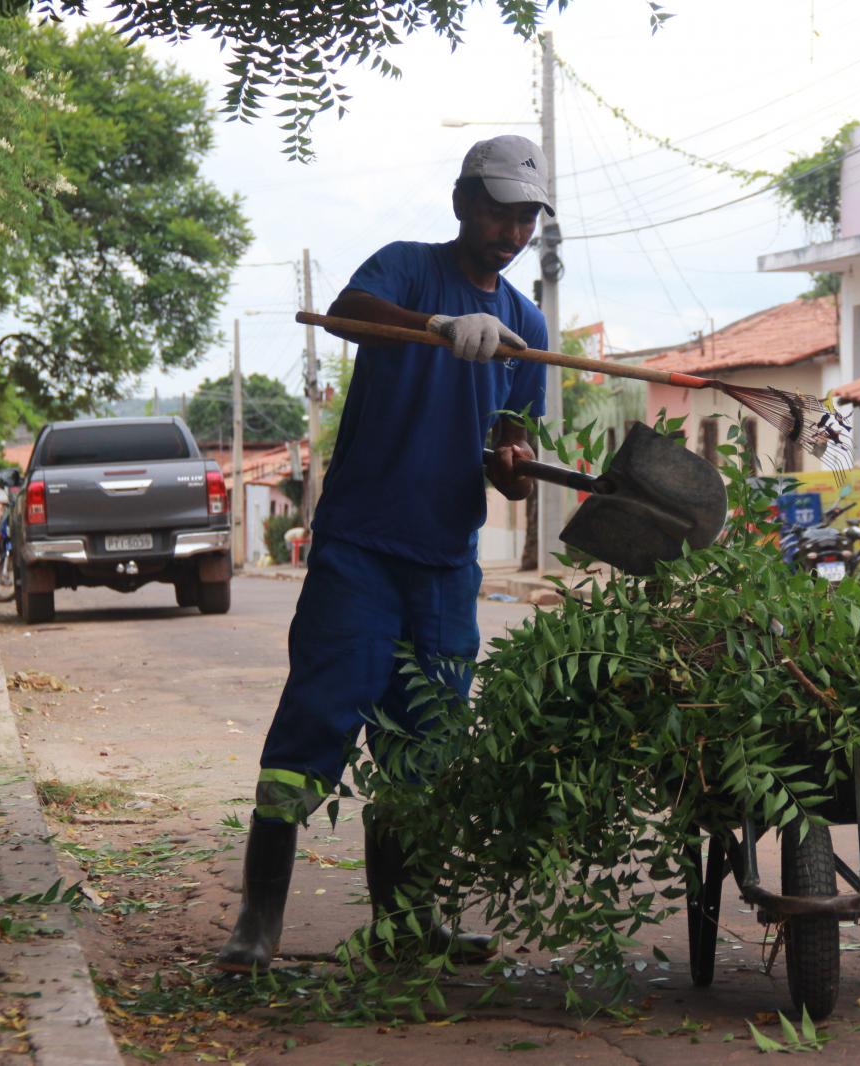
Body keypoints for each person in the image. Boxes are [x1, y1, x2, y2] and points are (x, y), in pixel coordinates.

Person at [217, 136, 552, 973]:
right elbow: (344, 316)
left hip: (445, 560)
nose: (511, 230)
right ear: (461, 203)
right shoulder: (405, 269)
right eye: (499, 211)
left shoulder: (529, 324)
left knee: (424, 748)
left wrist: (514, 468)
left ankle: (408, 928)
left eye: (526, 217)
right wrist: (438, 327)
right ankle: (256, 925)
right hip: (360, 547)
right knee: (316, 724)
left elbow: (511, 455)